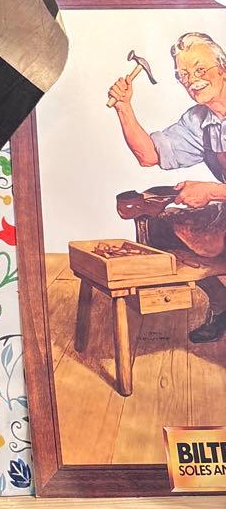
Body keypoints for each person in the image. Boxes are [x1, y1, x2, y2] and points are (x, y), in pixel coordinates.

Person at [108, 32, 226, 344]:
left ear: (223, 69)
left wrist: (212, 192)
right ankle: (221, 303)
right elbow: (148, 155)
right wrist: (124, 107)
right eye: (183, 75)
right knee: (157, 228)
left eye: (199, 69)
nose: (192, 80)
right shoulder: (199, 121)